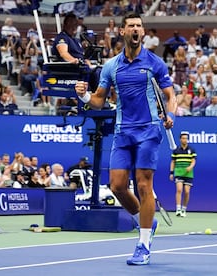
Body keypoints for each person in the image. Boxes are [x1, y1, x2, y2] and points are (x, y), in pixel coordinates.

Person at [74, 12, 177, 266]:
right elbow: (99, 100)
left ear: (142, 32)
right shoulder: (111, 66)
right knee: (117, 186)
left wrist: (171, 113)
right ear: (122, 31)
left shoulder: (155, 63)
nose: (135, 29)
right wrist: (86, 97)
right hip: (123, 131)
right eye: (131, 25)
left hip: (149, 130)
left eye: (139, 26)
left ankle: (143, 244)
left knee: (144, 185)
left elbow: (170, 95)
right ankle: (147, 220)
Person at [169, 132, 196, 217]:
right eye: (183, 138)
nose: (185, 140)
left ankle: (184, 209)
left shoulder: (191, 149)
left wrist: (190, 167)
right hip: (178, 172)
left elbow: (194, 160)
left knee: (187, 192)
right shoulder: (176, 150)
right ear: (180, 139)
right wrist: (171, 173)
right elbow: (173, 162)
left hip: (188, 173)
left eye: (186, 138)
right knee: (179, 190)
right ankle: (178, 209)